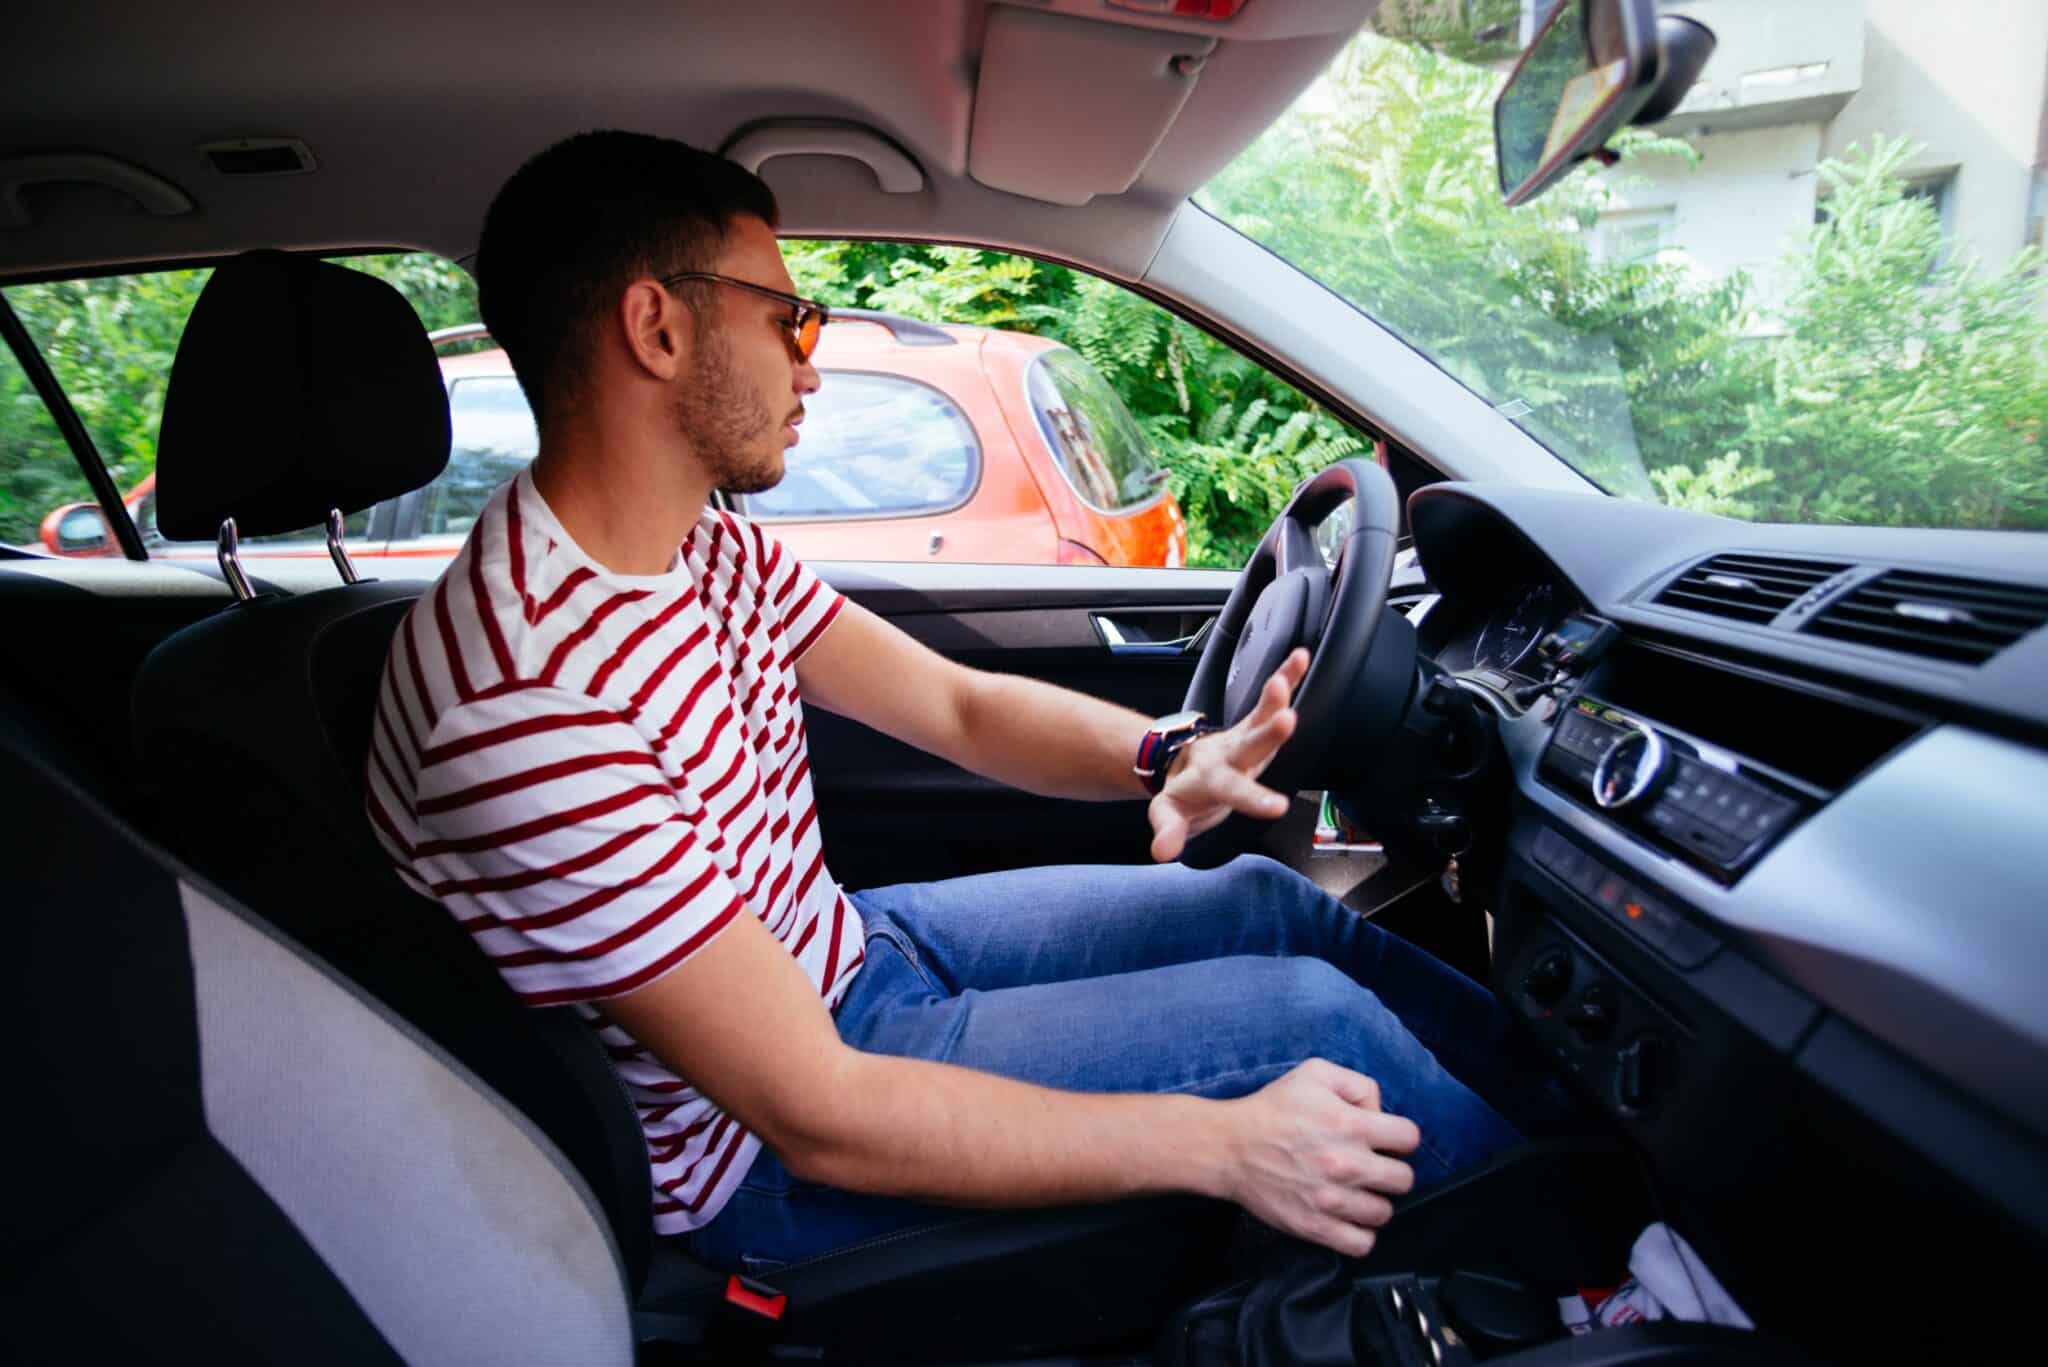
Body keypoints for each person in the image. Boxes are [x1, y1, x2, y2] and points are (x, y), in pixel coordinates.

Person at [366, 130, 1549, 1276]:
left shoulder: (697, 549)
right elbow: (818, 1112)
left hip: (849, 956)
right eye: (787, 319)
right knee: (1304, 1026)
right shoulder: (524, 699)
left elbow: (956, 706)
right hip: (765, 1159)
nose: (811, 359)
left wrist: (1164, 752)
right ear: (657, 327)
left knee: (1264, 901)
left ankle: (1574, 1136)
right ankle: (1597, 1274)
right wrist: (1229, 1143)